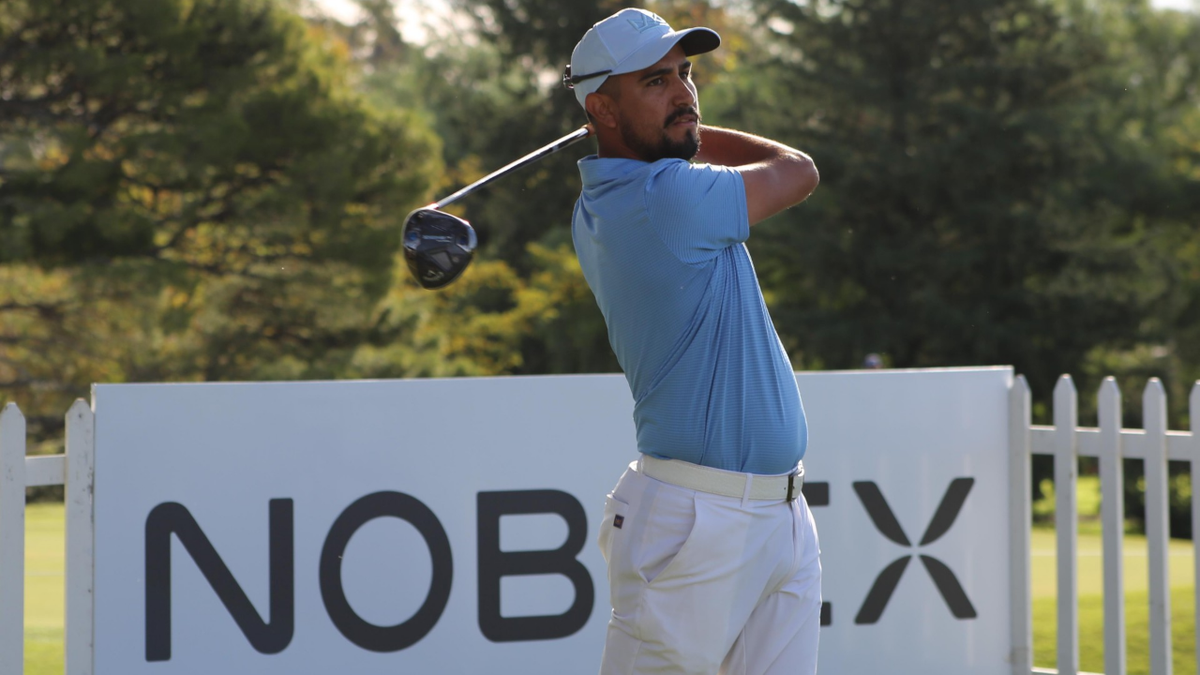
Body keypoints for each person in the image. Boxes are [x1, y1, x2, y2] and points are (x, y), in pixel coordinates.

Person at [566, 8, 822, 675]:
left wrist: (668, 125)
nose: (685, 93)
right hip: (697, 523)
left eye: (685, 74)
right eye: (656, 82)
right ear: (602, 107)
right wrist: (691, 133)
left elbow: (658, 151)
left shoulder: (602, 199)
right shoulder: (666, 198)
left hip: (779, 515)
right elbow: (797, 170)